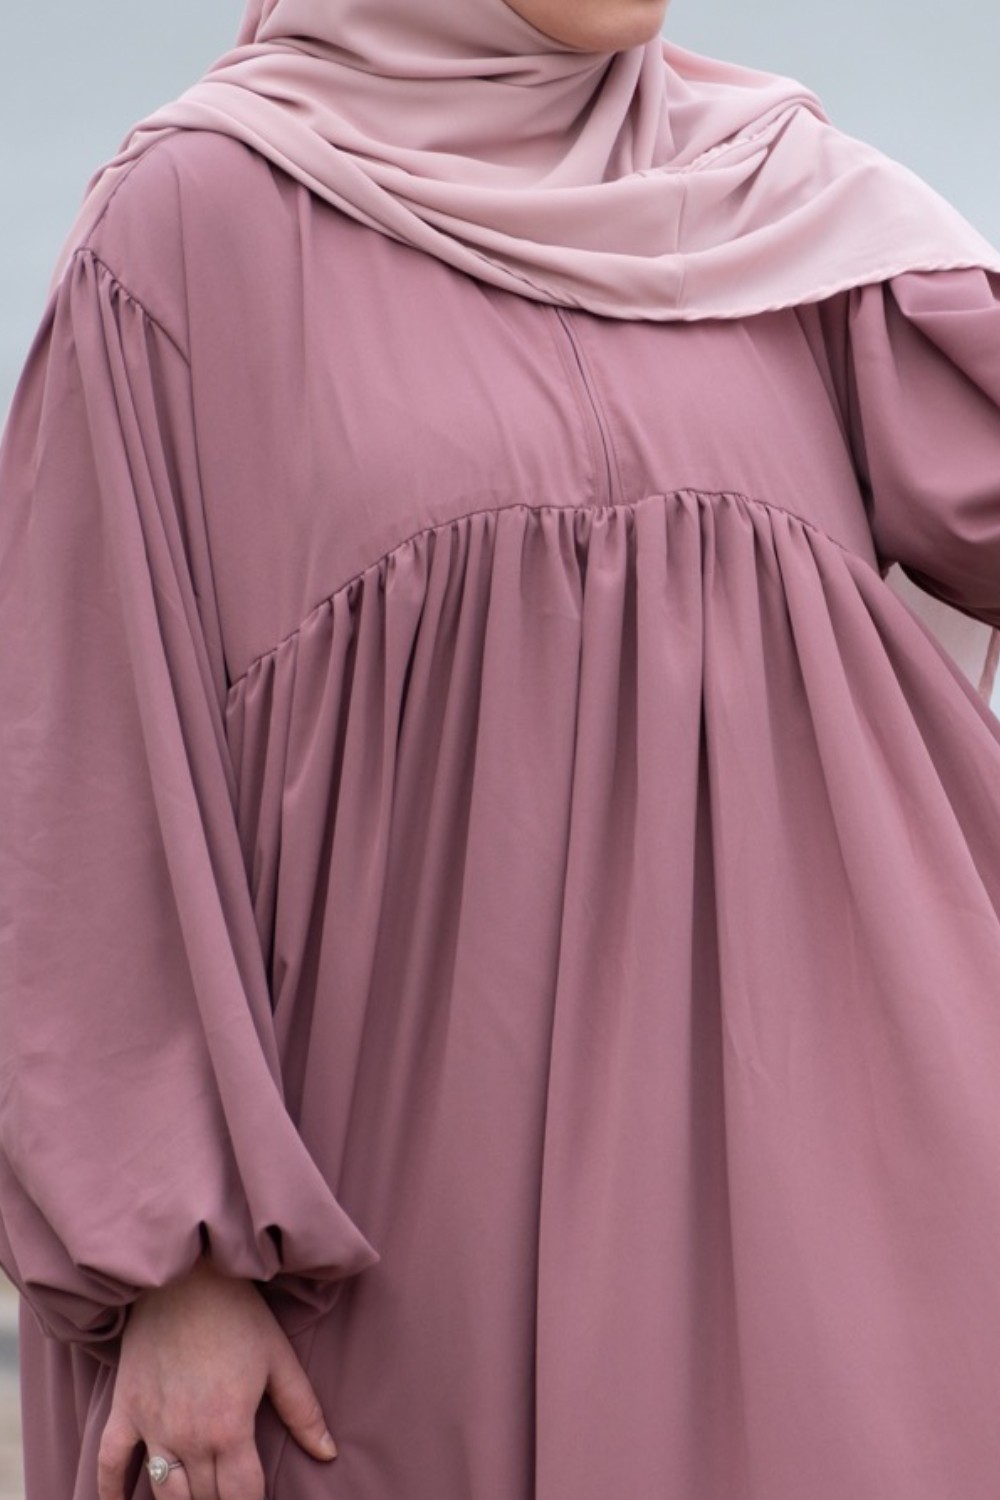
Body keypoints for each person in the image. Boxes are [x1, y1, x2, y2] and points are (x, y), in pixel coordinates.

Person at [3, 2, 1000, 1497]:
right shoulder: (192, 229)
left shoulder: (784, 204)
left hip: (822, 1217)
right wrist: (167, 1270)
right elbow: (74, 777)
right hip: (400, 1255)